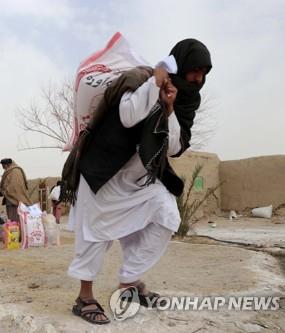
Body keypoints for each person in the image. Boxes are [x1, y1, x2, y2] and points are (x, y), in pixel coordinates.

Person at [63, 39, 212, 324]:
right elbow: (128, 115)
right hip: (104, 172)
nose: (198, 79)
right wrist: (155, 84)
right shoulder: (141, 78)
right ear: (180, 64)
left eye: (204, 73)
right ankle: (84, 298)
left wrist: (169, 110)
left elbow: (174, 147)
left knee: (166, 214)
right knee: (95, 235)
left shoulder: (186, 100)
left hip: (140, 178)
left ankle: (129, 281)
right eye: (195, 70)